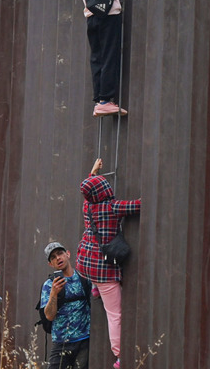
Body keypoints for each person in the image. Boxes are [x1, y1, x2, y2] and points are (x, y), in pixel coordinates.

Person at [77, 158, 142, 369]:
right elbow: (138, 205)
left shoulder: (89, 204)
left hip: (85, 262)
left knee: (97, 283)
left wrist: (92, 172)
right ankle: (119, 355)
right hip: (102, 269)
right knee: (115, 314)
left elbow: (88, 188)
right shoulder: (112, 207)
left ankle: (95, 288)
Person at [38, 241, 93, 369]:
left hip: (84, 341)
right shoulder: (48, 285)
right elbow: (49, 317)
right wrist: (53, 294)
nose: (58, 258)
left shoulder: (83, 277)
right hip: (61, 343)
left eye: (60, 253)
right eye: (53, 257)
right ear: (50, 264)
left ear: (67, 254)